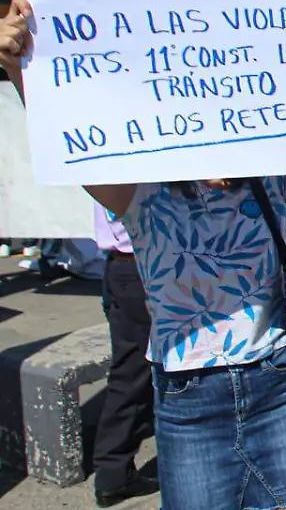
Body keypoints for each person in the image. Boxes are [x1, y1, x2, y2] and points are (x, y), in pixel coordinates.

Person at [0, 0, 286, 510]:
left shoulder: (269, 186)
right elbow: (65, 141)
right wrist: (22, 65)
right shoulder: (139, 193)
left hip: (278, 386)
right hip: (187, 402)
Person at [92, 204, 157, 508]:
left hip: (124, 266)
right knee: (134, 373)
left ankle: (114, 469)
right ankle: (114, 471)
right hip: (139, 264)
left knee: (131, 371)